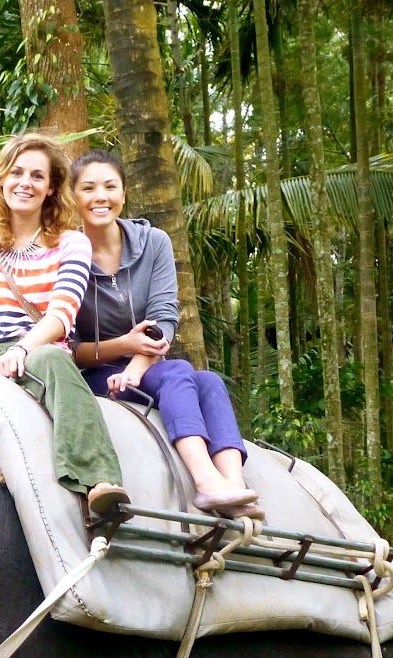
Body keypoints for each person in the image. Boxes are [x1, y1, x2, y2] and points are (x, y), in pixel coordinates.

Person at [0, 132, 130, 520]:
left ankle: (99, 480)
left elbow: (61, 316)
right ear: (0, 180)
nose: (25, 182)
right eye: (17, 172)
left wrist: (22, 349)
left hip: (41, 348)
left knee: (55, 363)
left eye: (37, 176)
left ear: (51, 187)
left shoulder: (71, 243)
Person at [70, 149, 263, 521]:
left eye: (110, 186)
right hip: (97, 371)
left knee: (207, 380)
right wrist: (124, 347)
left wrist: (137, 365)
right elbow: (70, 347)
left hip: (145, 364)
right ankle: (205, 482)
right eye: (89, 188)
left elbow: (164, 318)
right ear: (74, 197)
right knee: (177, 372)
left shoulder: (153, 242)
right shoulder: (67, 253)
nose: (100, 197)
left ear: (123, 194)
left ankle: (234, 486)